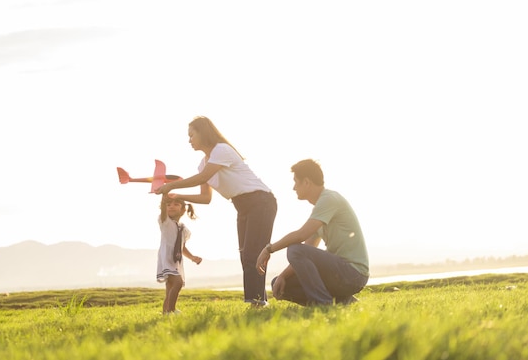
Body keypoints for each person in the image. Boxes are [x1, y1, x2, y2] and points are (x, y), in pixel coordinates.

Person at [155, 116, 277, 307]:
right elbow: (206, 198)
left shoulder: (221, 150)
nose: (189, 140)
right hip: (242, 205)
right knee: (246, 254)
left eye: (191, 135)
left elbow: (202, 178)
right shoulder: (203, 164)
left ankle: (258, 303)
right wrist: (177, 195)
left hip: (260, 202)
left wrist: (171, 186)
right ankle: (257, 300)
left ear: (203, 133)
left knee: (253, 253)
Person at [256, 159, 369, 306]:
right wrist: (282, 276)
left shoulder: (329, 199)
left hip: (354, 274)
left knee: (295, 249)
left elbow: (301, 236)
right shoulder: (320, 210)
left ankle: (323, 303)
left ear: (307, 182)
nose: (293, 187)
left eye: (296, 181)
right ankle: (344, 301)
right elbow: (308, 249)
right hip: (340, 274)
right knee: (278, 283)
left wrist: (269, 249)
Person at [157, 195, 202, 314]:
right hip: (166, 259)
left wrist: (192, 257)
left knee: (170, 288)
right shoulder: (165, 222)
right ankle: (171, 310)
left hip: (176, 261)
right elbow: (163, 207)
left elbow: (182, 247)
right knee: (178, 282)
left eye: (176, 204)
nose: (171, 206)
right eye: (168, 204)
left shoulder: (183, 229)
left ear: (183, 210)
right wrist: (164, 193)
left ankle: (165, 313)